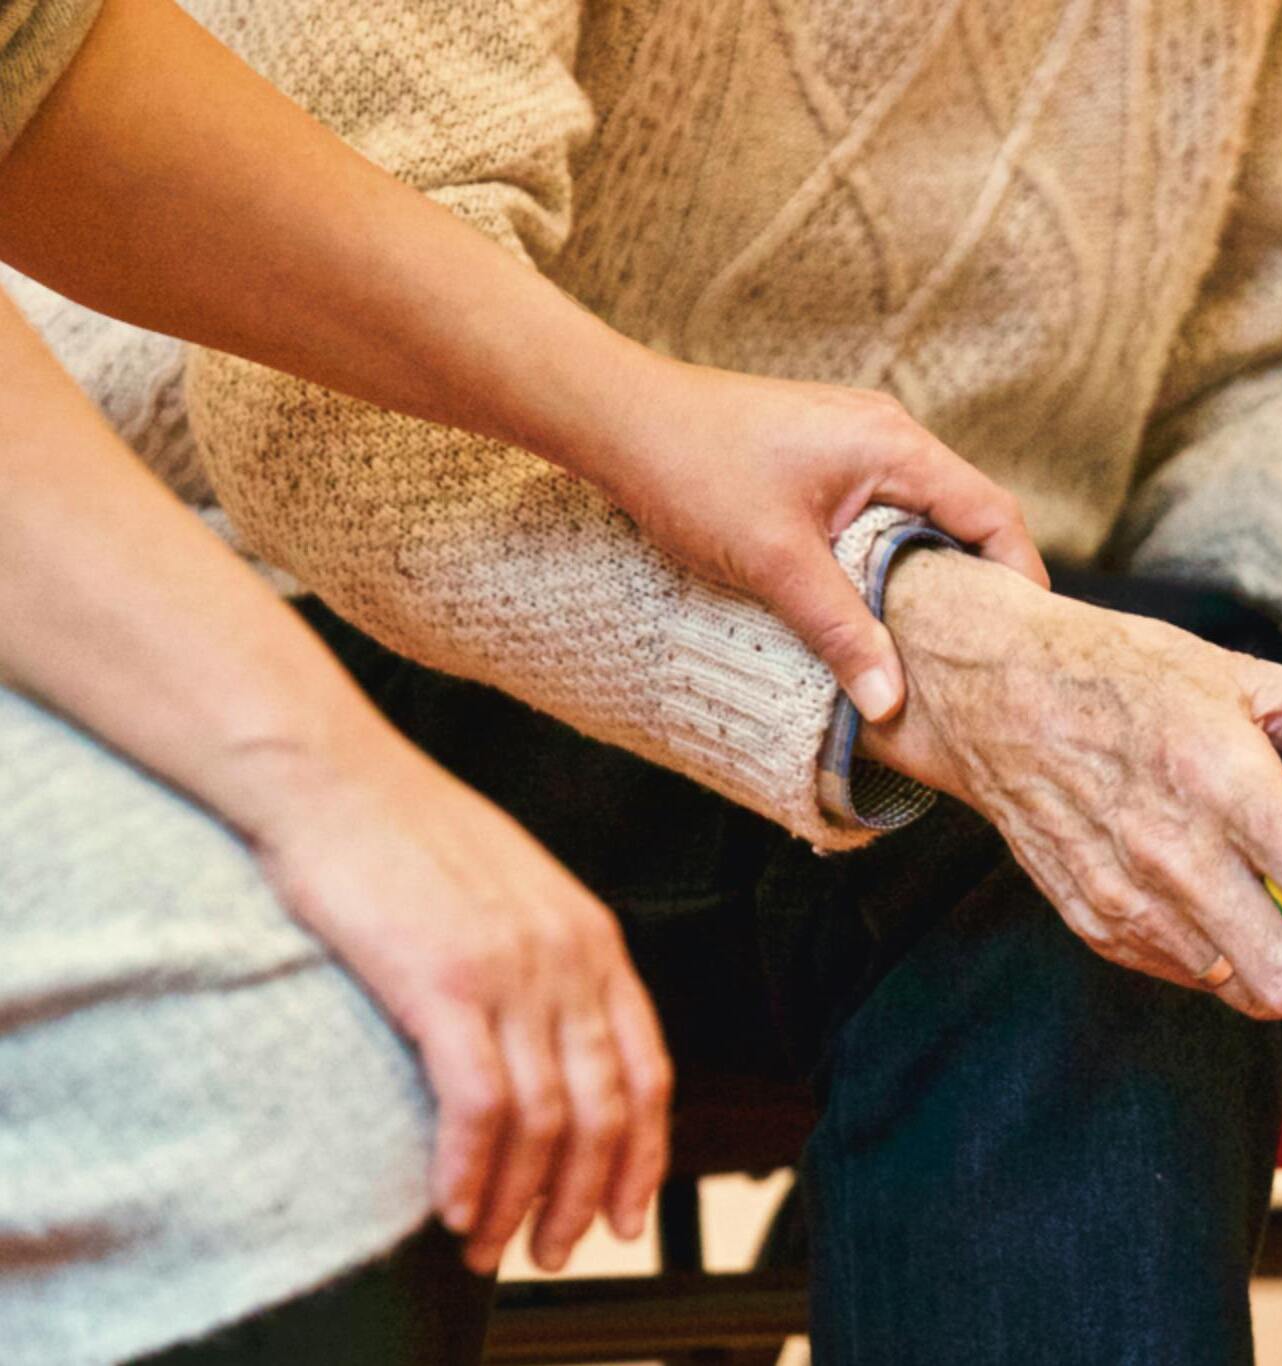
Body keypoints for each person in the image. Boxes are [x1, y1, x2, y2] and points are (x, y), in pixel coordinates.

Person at [22, 1, 1282, 1364]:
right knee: (1088, 860)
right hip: (426, 618)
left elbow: (1280, 349)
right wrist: (945, 655)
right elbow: (323, 414)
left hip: (1031, 615)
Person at [0, 0, 1038, 1359]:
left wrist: (643, 411)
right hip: (257, 581)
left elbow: (38, 72)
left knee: (1056, 853)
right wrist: (343, 787)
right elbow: (307, 435)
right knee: (300, 1101)